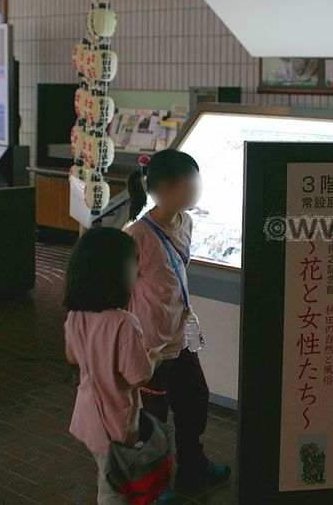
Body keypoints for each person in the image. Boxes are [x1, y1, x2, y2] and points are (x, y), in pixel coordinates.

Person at [125, 150, 231, 494]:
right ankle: (154, 486)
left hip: (180, 338)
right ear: (165, 188)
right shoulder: (136, 235)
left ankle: (193, 469)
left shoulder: (186, 223)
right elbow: (121, 294)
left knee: (194, 403)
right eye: (191, 183)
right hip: (150, 346)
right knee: (154, 421)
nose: (197, 189)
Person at [64, 227, 174, 504]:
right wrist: (153, 357)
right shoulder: (123, 323)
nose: (137, 269)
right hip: (116, 423)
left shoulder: (76, 315)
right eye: (133, 261)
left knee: (107, 474)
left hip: (87, 417)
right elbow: (138, 376)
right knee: (113, 488)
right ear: (117, 272)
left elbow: (72, 357)